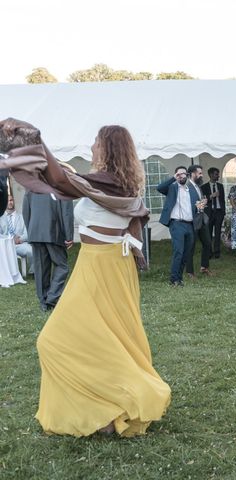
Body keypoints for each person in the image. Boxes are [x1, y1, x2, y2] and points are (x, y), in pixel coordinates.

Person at [0, 119, 170, 437]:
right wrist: (29, 143)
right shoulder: (108, 183)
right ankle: (107, 411)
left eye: (95, 140)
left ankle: (117, 404)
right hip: (99, 266)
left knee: (56, 341)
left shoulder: (108, 183)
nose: (91, 145)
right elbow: (62, 179)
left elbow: (60, 178)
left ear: (107, 148)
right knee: (108, 340)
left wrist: (31, 139)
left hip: (103, 269)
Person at [23, 191, 74, 310]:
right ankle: (52, 297)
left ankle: (43, 301)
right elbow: (67, 212)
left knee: (40, 268)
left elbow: (26, 210)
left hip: (35, 230)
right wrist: (69, 235)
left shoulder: (31, 185)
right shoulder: (59, 183)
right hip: (54, 231)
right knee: (62, 266)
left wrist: (31, 230)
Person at [157, 166, 200, 286]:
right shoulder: (172, 187)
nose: (181, 176)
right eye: (178, 174)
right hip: (177, 224)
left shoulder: (190, 189)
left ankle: (179, 278)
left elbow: (195, 205)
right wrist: (173, 178)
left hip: (190, 224)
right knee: (178, 252)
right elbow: (159, 188)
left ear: (187, 175)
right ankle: (173, 279)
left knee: (186, 253)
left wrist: (200, 206)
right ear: (176, 175)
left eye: (183, 174)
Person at [184, 164, 212, 276]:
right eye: (199, 173)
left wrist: (203, 202)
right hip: (192, 219)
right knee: (191, 246)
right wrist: (198, 205)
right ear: (192, 174)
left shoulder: (197, 186)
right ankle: (190, 272)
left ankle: (204, 267)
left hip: (201, 219)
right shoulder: (187, 186)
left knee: (208, 243)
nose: (201, 175)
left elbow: (198, 202)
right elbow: (186, 204)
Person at [0, 195, 33, 273]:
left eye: (11, 200)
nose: (10, 202)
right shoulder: (0, 218)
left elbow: (28, 232)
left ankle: (33, 272)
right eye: (7, 201)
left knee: (32, 250)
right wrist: (10, 239)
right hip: (5, 246)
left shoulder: (22, 217)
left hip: (19, 245)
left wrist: (20, 239)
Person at [201, 167, 225, 259]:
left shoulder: (220, 186)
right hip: (209, 212)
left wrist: (223, 212)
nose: (218, 176)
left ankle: (217, 252)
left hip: (219, 212)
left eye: (218, 174)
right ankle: (209, 252)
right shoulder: (204, 187)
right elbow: (202, 200)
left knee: (218, 232)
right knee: (209, 233)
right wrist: (211, 196)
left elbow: (222, 200)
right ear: (210, 175)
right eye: (216, 174)